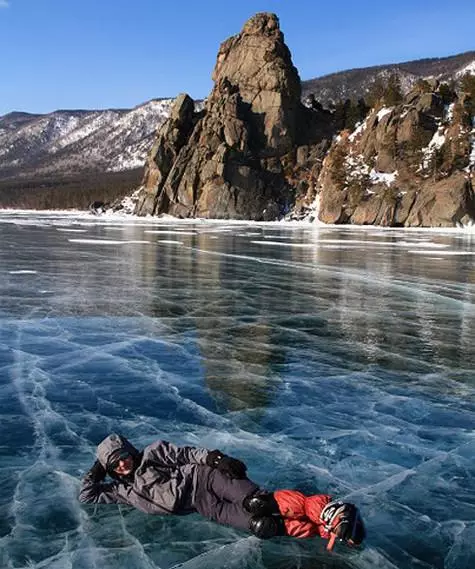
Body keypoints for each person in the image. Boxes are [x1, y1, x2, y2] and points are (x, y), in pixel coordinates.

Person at [79, 433, 365, 551]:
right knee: (262, 526)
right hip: (203, 506)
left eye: (123, 456)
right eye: (115, 463)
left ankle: (332, 510)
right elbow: (87, 495)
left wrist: (217, 460)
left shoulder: (153, 453)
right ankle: (325, 529)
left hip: (205, 478)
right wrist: (99, 467)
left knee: (259, 503)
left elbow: (188, 453)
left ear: (130, 451)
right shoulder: (122, 491)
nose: (123, 464)